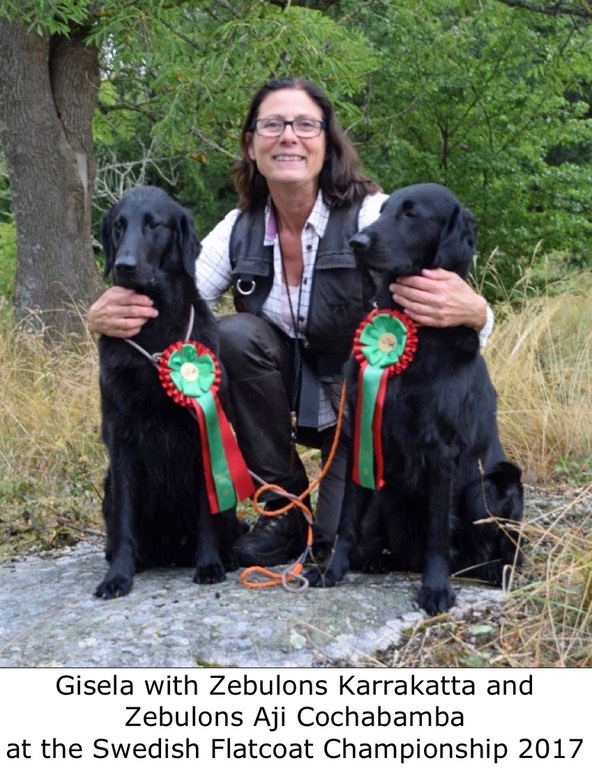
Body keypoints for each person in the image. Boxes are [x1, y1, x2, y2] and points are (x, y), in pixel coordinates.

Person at [89, 76, 492, 568]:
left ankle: (339, 516)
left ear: (327, 141)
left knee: (347, 547)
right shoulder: (235, 230)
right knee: (234, 335)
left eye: (305, 124)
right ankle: (283, 506)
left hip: (358, 422)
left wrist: (478, 313)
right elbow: (174, 286)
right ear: (251, 145)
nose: (288, 136)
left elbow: (445, 297)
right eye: (272, 124)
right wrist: (105, 312)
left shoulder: (371, 216)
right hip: (276, 410)